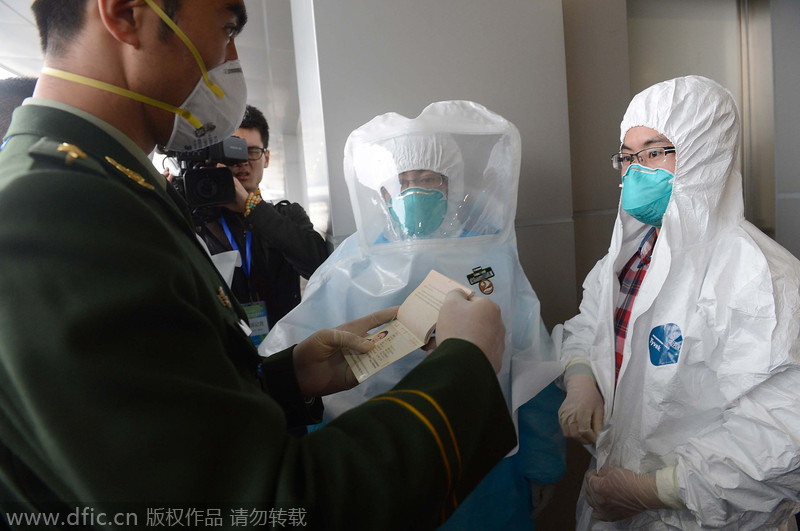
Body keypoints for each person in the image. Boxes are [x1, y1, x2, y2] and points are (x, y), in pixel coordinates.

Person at [0, 1, 517, 528]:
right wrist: (465, 363)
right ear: (127, 13)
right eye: (226, 29)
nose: (230, 60)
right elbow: (261, 509)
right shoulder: (55, 209)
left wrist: (287, 379)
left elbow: (169, 424)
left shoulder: (108, 186)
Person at [262, 100, 566, 529]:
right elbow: (301, 362)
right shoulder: (353, 264)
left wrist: (542, 459)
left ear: (452, 185)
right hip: (384, 461)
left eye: (428, 179)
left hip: (487, 467)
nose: (416, 190)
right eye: (404, 181)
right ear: (384, 191)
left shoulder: (489, 255)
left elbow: (529, 359)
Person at [556, 75, 800, 530]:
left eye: (653, 152)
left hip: (704, 514)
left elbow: (783, 431)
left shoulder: (762, 280)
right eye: (627, 156)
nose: (634, 171)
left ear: (703, 153)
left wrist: (656, 490)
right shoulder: (630, 253)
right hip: (611, 495)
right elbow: (590, 322)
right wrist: (581, 375)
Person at [195, 104, 329, 346]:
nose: (241, 162)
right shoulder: (199, 222)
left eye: (252, 151)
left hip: (288, 351)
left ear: (266, 158)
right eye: (231, 151)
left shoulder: (286, 214)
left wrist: (251, 207)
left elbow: (320, 265)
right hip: (227, 355)